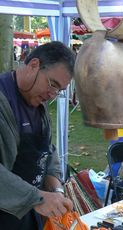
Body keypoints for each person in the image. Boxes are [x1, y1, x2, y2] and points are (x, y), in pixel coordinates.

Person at [0, 41, 76, 229]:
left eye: (59, 90)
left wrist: (57, 191)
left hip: (29, 214)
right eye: (52, 84)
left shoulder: (38, 107)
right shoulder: (4, 100)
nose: (52, 94)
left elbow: (47, 152)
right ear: (34, 65)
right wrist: (38, 198)